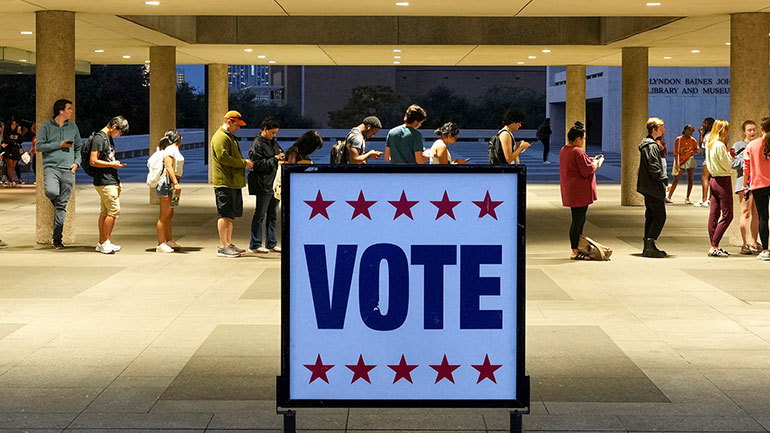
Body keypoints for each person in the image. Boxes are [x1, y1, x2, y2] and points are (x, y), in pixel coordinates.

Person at [37, 99, 82, 249]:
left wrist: (77, 163)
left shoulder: (73, 127)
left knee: (62, 206)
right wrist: (59, 145)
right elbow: (39, 146)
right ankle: (59, 206)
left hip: (69, 169)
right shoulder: (46, 127)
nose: (71, 111)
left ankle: (57, 239)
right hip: (51, 167)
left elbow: (79, 147)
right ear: (60, 111)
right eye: (69, 108)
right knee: (51, 191)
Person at [212, 110, 254, 258]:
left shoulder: (229, 137)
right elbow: (223, 158)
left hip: (232, 182)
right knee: (224, 214)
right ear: (229, 122)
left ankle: (228, 244)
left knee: (230, 215)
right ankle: (223, 246)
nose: (238, 128)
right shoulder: (220, 137)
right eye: (237, 125)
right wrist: (243, 163)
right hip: (224, 182)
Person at [559, 121, 603, 260]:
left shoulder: (564, 150)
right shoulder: (577, 151)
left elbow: (577, 164)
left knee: (577, 219)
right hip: (579, 190)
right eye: (583, 138)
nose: (584, 141)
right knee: (578, 221)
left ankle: (578, 248)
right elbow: (586, 170)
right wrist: (596, 163)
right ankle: (575, 250)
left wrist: (589, 161)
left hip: (571, 189)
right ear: (578, 138)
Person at [89, 116, 129, 254]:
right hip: (105, 180)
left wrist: (112, 164)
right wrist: (112, 164)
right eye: (120, 131)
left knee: (105, 212)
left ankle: (103, 242)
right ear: (114, 127)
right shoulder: (99, 138)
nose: (120, 134)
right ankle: (104, 242)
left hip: (110, 178)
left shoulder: (107, 137)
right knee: (113, 210)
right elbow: (93, 161)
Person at [247, 116, 284, 254]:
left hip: (274, 183)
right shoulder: (257, 143)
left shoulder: (273, 142)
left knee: (273, 214)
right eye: (272, 132)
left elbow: (280, 154)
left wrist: (280, 157)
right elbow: (256, 164)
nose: (274, 135)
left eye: (276, 133)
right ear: (265, 129)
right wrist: (274, 159)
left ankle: (271, 242)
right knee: (260, 214)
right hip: (263, 183)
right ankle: (255, 243)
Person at [637, 117, 669, 258]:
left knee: (651, 214)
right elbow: (654, 167)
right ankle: (650, 244)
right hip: (653, 186)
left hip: (647, 185)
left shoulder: (648, 144)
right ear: (654, 130)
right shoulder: (651, 146)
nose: (664, 130)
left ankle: (648, 244)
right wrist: (664, 180)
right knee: (659, 215)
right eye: (661, 128)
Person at [703, 119, 734, 257]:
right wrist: (729, 153)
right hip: (723, 180)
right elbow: (728, 165)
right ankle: (715, 245)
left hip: (713, 178)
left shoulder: (710, 143)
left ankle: (713, 245)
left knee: (714, 213)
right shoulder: (720, 145)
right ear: (723, 131)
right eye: (727, 130)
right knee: (728, 215)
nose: (728, 133)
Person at [732, 120, 761, 255]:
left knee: (757, 213)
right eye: (749, 130)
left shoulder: (760, 144)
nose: (752, 132)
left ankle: (754, 241)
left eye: (754, 130)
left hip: (759, 182)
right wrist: (746, 157)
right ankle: (745, 243)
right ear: (744, 131)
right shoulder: (738, 145)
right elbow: (733, 163)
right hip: (744, 183)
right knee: (746, 212)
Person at [743, 117, 770, 261]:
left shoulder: (753, 145)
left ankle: (765, 249)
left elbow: (746, 166)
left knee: (763, 217)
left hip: (759, 184)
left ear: (762, 129)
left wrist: (744, 184)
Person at [155, 130, 185, 253]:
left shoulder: (173, 149)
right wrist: (176, 183)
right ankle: (160, 243)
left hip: (172, 182)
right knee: (164, 215)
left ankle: (169, 239)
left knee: (169, 213)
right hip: (168, 183)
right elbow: (169, 166)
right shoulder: (170, 150)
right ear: (178, 138)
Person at [667, 125, 699, 205]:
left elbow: (697, 150)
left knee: (690, 179)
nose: (690, 132)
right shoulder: (679, 139)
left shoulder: (693, 140)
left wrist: (691, 151)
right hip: (681, 160)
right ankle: (669, 197)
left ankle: (687, 197)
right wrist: (677, 163)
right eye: (688, 130)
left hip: (690, 160)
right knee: (676, 179)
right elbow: (676, 152)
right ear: (684, 130)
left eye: (691, 131)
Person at [695, 117, 715, 207]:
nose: (703, 125)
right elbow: (702, 145)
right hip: (712, 159)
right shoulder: (710, 134)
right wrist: (700, 134)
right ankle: (710, 199)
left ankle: (704, 199)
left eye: (705, 123)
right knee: (711, 179)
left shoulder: (710, 135)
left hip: (709, 159)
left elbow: (704, 147)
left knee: (705, 178)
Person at [1, 118, 26, 187]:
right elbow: (6, 139)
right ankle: (11, 181)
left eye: (15, 124)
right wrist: (13, 142)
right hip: (8, 149)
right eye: (12, 124)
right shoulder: (7, 131)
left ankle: (10, 181)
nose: (14, 126)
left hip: (16, 149)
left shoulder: (17, 131)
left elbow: (20, 140)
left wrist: (20, 133)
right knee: (10, 166)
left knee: (13, 166)